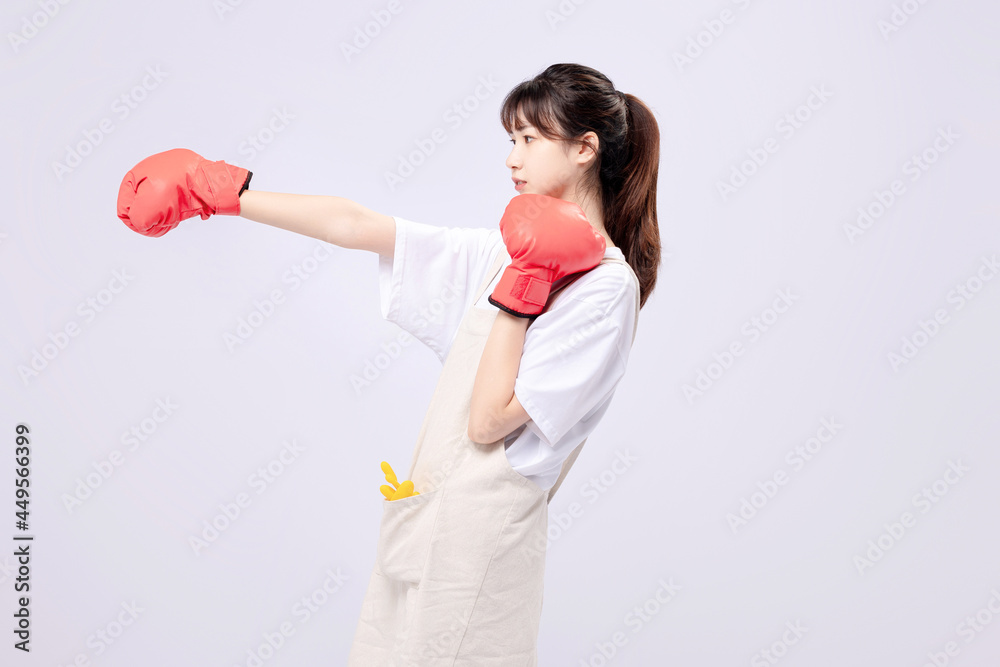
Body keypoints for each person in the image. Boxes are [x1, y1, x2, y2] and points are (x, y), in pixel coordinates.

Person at [116, 62, 660, 665]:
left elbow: (487, 423)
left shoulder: (605, 290)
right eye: (511, 140)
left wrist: (526, 283)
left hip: (481, 546)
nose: (512, 158)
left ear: (585, 149)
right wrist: (219, 194)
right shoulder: (504, 248)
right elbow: (357, 226)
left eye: (529, 140)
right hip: (425, 514)